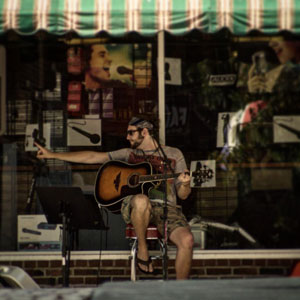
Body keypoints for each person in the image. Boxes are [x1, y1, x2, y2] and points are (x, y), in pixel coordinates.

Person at [35, 117, 194, 279]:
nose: (127, 137)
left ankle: (180, 291)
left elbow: (183, 195)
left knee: (187, 240)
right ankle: (143, 250)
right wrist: (52, 154)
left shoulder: (173, 154)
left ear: (144, 132)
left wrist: (185, 184)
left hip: (167, 209)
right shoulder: (128, 154)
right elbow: (93, 157)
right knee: (141, 200)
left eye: (131, 133)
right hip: (136, 206)